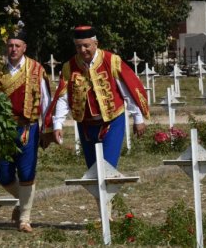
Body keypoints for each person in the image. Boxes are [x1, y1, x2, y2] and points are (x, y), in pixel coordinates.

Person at [44, 25, 150, 170]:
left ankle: (109, 191)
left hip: (112, 121)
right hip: (85, 124)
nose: (82, 50)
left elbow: (128, 90)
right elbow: (63, 96)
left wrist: (138, 119)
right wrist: (58, 124)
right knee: (93, 170)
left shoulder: (111, 61)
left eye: (86, 46)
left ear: (96, 43)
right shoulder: (69, 66)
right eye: (78, 46)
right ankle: (103, 193)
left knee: (107, 168)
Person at [0, 29, 51, 233]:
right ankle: (22, 200)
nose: (13, 49)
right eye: (10, 45)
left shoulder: (36, 69)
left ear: (24, 48)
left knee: (26, 173)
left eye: (17, 45)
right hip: (3, 128)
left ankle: (24, 218)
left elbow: (46, 100)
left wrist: (47, 129)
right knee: (4, 175)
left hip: (27, 127)